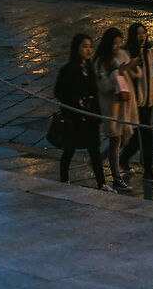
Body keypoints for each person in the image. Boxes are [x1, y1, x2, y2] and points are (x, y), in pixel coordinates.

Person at [120, 22, 153, 182]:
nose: (142, 36)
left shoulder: (150, 51)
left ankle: (125, 159)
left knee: (138, 137)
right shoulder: (126, 53)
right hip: (134, 102)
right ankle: (148, 170)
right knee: (145, 136)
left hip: (148, 100)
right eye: (138, 33)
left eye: (144, 33)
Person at [53, 33, 105, 186]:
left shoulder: (90, 68)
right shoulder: (68, 69)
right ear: (76, 48)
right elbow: (58, 92)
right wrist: (75, 101)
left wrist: (98, 115)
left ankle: (101, 183)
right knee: (69, 149)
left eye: (90, 47)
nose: (88, 50)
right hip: (74, 117)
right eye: (84, 46)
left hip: (90, 116)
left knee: (94, 150)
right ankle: (64, 179)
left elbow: (95, 92)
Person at [93, 26, 136, 191]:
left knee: (119, 140)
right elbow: (103, 86)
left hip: (120, 106)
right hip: (110, 109)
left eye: (120, 43)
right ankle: (116, 178)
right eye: (115, 43)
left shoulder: (118, 57)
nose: (117, 46)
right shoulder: (100, 62)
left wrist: (129, 69)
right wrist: (118, 72)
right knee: (115, 141)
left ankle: (111, 168)